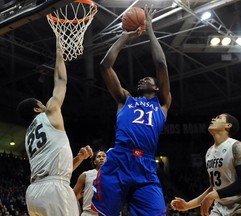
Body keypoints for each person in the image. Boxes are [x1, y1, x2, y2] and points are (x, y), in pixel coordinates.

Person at [91, 5, 172, 216]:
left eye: (147, 79)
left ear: (156, 87)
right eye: (141, 78)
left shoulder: (162, 103)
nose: (142, 79)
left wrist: (150, 29)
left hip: (146, 164)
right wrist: (124, 36)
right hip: (120, 159)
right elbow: (105, 66)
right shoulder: (125, 99)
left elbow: (161, 64)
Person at [16, 37, 93, 216]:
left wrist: (79, 159)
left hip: (34, 193)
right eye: (41, 103)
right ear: (37, 109)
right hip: (54, 191)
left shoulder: (29, 136)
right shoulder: (49, 114)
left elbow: (54, 170)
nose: (46, 104)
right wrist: (59, 54)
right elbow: (61, 81)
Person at [171, 113, 241, 216]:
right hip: (220, 207)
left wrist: (213, 195)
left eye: (218, 118)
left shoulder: (236, 146)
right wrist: (188, 205)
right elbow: (214, 188)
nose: (213, 119)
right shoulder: (209, 152)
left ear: (228, 125)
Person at [74, 150, 107, 215]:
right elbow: (73, 196)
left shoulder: (113, 177)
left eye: (104, 156)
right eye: (99, 156)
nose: (101, 158)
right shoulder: (86, 175)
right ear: (94, 162)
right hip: (89, 213)